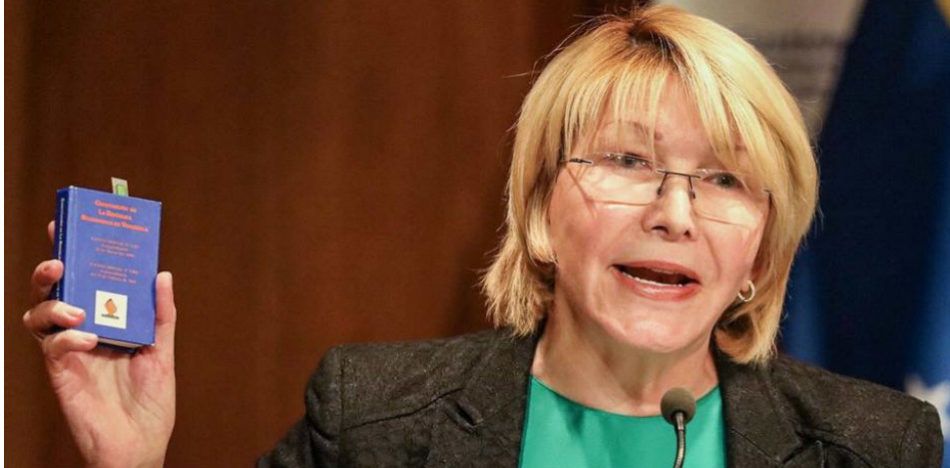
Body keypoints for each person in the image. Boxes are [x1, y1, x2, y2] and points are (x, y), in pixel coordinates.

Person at [23, 5, 944, 467]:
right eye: (627, 161)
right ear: (540, 210)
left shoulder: (873, 446)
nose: (675, 212)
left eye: (725, 179)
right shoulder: (376, 422)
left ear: (764, 247)